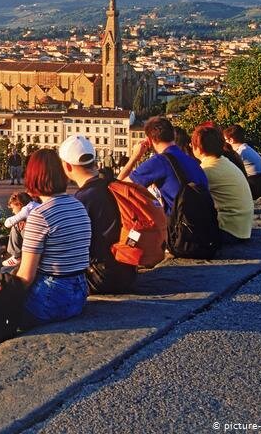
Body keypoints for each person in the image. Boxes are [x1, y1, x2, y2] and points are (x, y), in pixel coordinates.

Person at [17, 148, 91, 326]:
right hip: (79, 293)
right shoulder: (78, 206)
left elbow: (26, 276)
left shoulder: (40, 215)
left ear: (32, 176)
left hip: (50, 298)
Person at [58, 135, 137, 294]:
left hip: (99, 277)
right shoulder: (113, 186)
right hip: (127, 272)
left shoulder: (82, 198)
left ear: (67, 166)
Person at [118, 116, 208, 215]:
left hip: (179, 222)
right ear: (173, 135)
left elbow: (118, 187)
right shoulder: (191, 160)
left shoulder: (159, 161)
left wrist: (134, 157)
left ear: (149, 140)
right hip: (202, 219)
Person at [191, 126, 254, 244]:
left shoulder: (207, 170)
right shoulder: (223, 161)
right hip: (243, 226)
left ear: (198, 148)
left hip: (229, 230)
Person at [223, 125, 261, 199]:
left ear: (231, 140)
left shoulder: (241, 152)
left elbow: (231, 170)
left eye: (225, 140)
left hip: (254, 187)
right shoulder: (245, 147)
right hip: (259, 182)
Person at [1, 192, 38, 269]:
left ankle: (17, 256)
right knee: (20, 222)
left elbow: (7, 223)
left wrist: (20, 219)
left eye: (13, 208)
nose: (13, 211)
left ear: (19, 204)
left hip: (37, 243)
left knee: (15, 224)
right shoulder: (35, 205)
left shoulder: (27, 209)